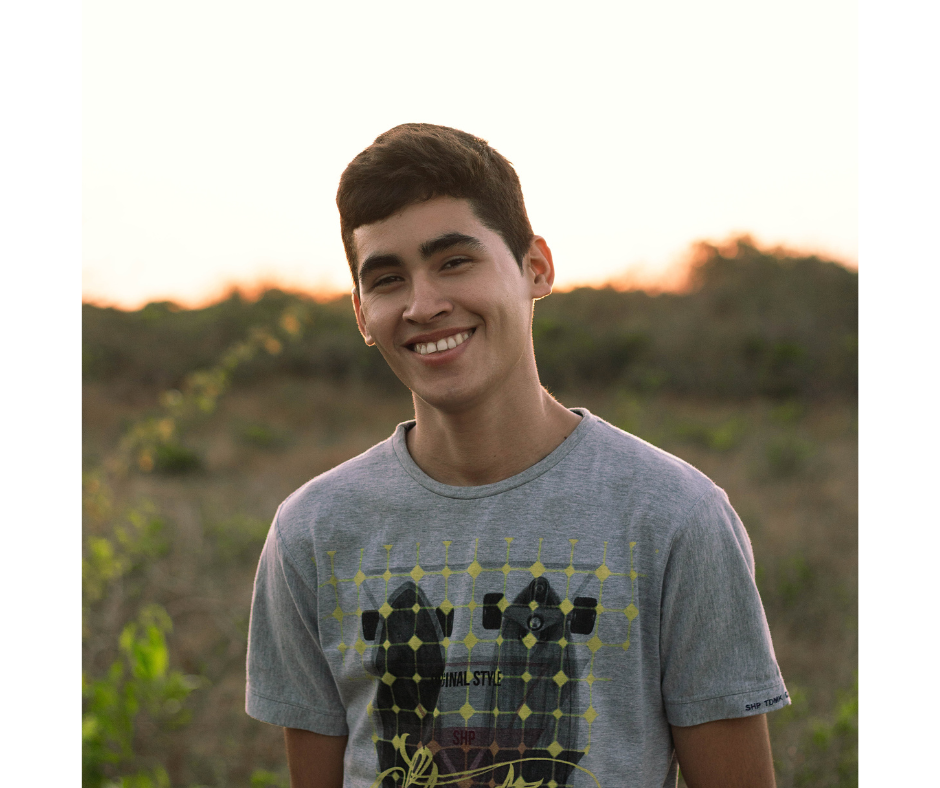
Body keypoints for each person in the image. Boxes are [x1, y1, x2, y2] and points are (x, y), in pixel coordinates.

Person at [245, 123, 790, 788]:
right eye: (388, 279)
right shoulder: (313, 531)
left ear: (536, 267)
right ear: (361, 312)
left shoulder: (675, 516)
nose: (424, 304)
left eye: (454, 261)